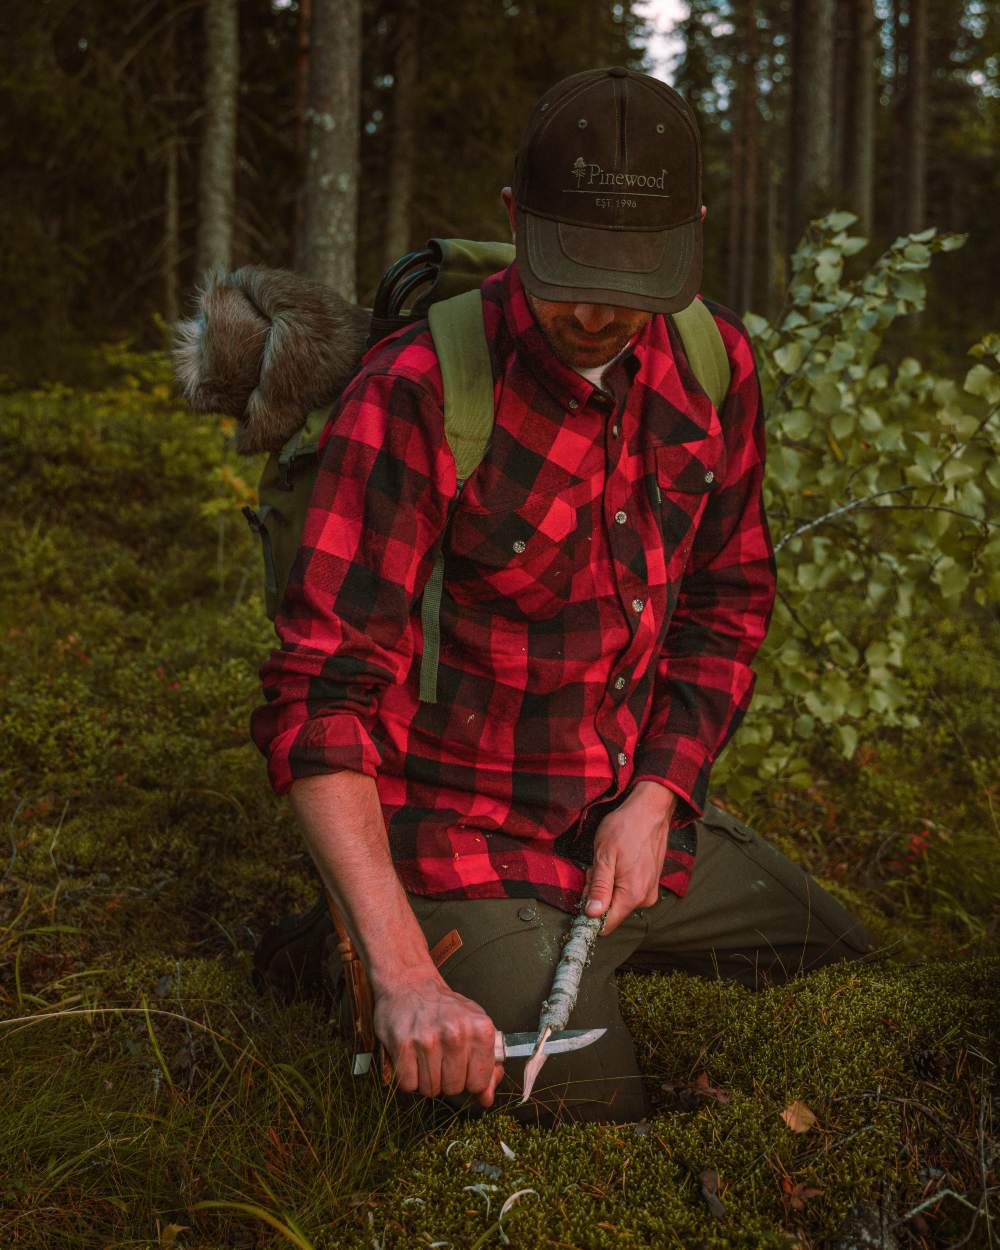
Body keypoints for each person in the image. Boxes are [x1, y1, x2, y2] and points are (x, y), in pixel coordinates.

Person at [250, 67, 874, 1126]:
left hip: (620, 826)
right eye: (569, 270)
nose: (594, 311)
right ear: (514, 221)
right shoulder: (416, 391)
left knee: (860, 982)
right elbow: (320, 699)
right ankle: (353, 938)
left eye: (631, 275)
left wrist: (658, 794)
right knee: (596, 1137)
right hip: (458, 834)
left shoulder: (712, 363)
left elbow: (729, 598)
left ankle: (564, 956)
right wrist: (405, 974)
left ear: (689, 238)